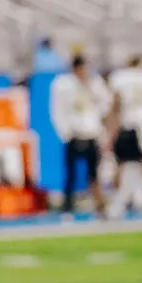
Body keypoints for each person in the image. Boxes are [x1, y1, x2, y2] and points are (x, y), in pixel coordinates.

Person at [50, 54, 110, 216]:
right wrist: (65, 132)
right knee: (71, 173)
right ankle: (68, 206)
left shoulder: (95, 83)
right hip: (74, 134)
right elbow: (57, 110)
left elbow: (105, 103)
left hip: (92, 134)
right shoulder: (63, 84)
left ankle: (99, 205)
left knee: (94, 173)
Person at [107, 55, 142, 218]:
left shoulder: (120, 78)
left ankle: (117, 204)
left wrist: (112, 131)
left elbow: (116, 104)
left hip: (128, 124)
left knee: (121, 163)